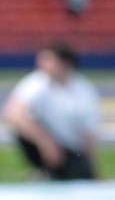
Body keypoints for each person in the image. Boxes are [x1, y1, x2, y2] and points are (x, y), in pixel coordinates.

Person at [3, 41, 100, 180]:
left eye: (48, 59)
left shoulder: (84, 90)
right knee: (22, 127)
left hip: (71, 150)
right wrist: (46, 143)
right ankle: (45, 170)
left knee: (80, 177)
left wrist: (91, 165)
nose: (40, 64)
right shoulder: (37, 82)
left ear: (64, 63)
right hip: (46, 144)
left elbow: (88, 134)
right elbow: (14, 113)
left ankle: (53, 173)